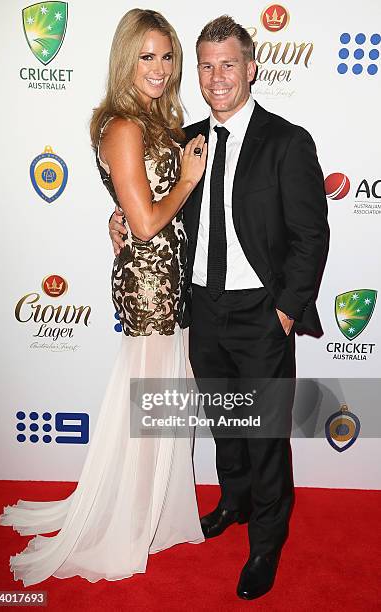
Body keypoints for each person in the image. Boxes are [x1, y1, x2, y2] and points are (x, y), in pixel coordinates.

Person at [110, 15, 329, 600]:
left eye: (227, 64)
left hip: (262, 311)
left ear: (251, 68)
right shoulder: (186, 143)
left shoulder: (287, 141)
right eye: (205, 65)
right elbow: (151, 210)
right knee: (223, 422)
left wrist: (284, 311)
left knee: (264, 432)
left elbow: (311, 236)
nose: (216, 77)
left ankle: (266, 539)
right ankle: (232, 502)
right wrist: (120, 223)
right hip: (200, 308)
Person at [0, 9, 207, 586]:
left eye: (167, 56)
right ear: (125, 61)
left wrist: (130, 212)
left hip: (167, 274)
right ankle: (126, 526)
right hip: (150, 281)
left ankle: (152, 514)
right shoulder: (124, 125)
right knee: (151, 404)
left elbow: (136, 208)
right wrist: (186, 181)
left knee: (164, 404)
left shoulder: (153, 120)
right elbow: (144, 225)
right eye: (146, 56)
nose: (159, 68)